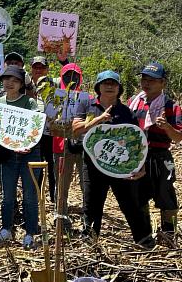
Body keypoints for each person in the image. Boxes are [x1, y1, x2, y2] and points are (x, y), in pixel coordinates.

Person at [72, 70, 154, 247]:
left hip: (120, 165)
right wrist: (99, 120)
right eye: (105, 83)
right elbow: (76, 129)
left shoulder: (126, 112)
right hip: (92, 164)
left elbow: (137, 142)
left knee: (130, 203)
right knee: (91, 203)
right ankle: (89, 242)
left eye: (113, 84)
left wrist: (140, 165)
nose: (109, 86)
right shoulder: (87, 105)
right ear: (98, 87)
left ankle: (144, 241)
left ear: (119, 89)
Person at [0, 66, 41, 249]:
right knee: (7, 195)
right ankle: (6, 229)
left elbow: (36, 126)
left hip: (29, 154)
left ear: (21, 84)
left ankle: (30, 233)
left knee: (30, 195)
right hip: (7, 155)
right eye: (6, 79)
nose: (9, 83)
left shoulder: (29, 103)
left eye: (15, 80)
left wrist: (28, 144)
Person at [129, 62, 182, 236]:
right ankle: (144, 234)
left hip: (160, 156)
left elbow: (178, 137)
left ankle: (169, 233)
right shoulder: (134, 103)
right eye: (144, 79)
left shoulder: (171, 107)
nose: (147, 83)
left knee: (166, 193)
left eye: (152, 80)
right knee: (138, 195)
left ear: (163, 83)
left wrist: (167, 127)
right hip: (138, 156)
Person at [48, 62, 88, 227]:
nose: (71, 79)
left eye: (75, 76)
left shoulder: (86, 98)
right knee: (62, 182)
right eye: (67, 76)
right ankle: (61, 214)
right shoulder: (55, 97)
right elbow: (49, 123)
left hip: (83, 145)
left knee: (86, 182)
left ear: (80, 78)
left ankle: (88, 214)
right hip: (60, 146)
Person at [31, 56, 56, 201]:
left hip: (50, 132)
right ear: (31, 68)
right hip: (33, 133)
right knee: (36, 164)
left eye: (42, 67)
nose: (38, 70)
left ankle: (53, 196)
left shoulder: (54, 84)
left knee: (51, 164)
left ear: (47, 69)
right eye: (36, 67)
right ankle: (36, 195)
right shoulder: (25, 85)